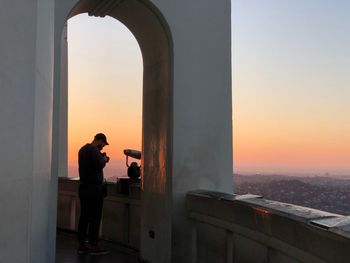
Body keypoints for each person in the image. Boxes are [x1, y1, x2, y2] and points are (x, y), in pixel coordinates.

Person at [77, 133, 110, 255]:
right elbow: (99, 164)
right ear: (100, 141)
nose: (102, 147)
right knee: (95, 217)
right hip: (94, 189)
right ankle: (93, 245)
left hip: (83, 188)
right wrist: (104, 159)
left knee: (84, 216)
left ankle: (82, 244)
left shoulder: (82, 149)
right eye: (103, 145)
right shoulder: (93, 150)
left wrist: (100, 158)